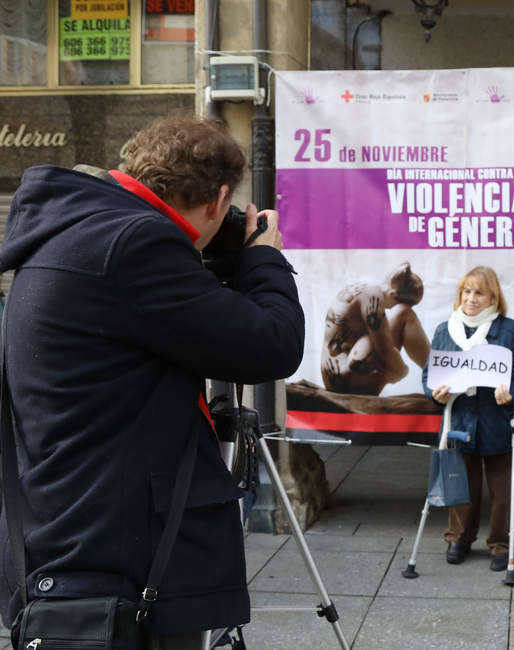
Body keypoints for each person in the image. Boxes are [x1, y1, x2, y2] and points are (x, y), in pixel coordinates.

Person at [0, 115, 305, 648]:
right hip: (118, 560)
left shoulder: (80, 228)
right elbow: (271, 345)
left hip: (70, 534)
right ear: (217, 200)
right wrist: (264, 259)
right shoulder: (136, 245)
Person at [422, 266, 514, 571]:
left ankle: (501, 544)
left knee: (504, 491)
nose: (471, 299)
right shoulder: (445, 330)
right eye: (466, 292)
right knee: (460, 485)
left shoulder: (508, 330)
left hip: (500, 421)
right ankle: (458, 538)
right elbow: (430, 375)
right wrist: (436, 393)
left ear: (492, 297)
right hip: (460, 422)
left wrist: (511, 393)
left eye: (479, 292)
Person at [321, 262, 430, 395]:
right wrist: (402, 372)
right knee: (405, 314)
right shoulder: (373, 296)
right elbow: (385, 351)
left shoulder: (365, 287)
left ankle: (434, 370)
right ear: (393, 294)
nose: (391, 309)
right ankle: (436, 372)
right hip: (345, 381)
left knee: (381, 334)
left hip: (337, 377)